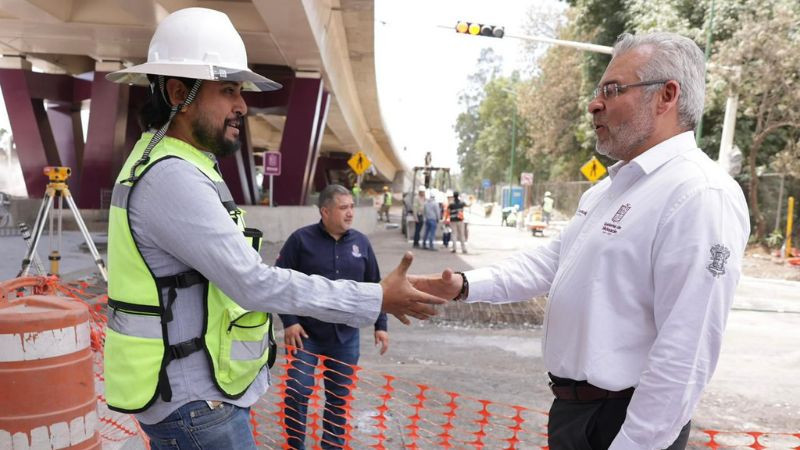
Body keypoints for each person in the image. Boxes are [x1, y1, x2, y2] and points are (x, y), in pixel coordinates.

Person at [102, 8, 444, 450]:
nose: (242, 105)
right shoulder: (173, 176)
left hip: (189, 399)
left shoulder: (164, 161)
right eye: (227, 90)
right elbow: (253, 283)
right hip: (197, 408)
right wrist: (376, 296)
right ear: (177, 92)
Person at [411, 32, 749, 449]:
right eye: (599, 91)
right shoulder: (611, 189)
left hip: (622, 424)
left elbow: (685, 352)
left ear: (667, 96)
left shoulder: (698, 194)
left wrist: (634, 444)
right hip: (577, 415)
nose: (594, 103)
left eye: (612, 89)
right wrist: (464, 285)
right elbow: (552, 262)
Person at [277, 184, 389, 449]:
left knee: (339, 398)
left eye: (351, 207)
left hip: (346, 337)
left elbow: (376, 286)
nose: (350, 213)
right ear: (325, 211)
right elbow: (279, 282)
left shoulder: (361, 243)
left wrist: (380, 325)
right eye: (343, 208)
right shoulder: (300, 240)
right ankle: (295, 445)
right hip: (306, 335)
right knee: (297, 392)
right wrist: (289, 321)